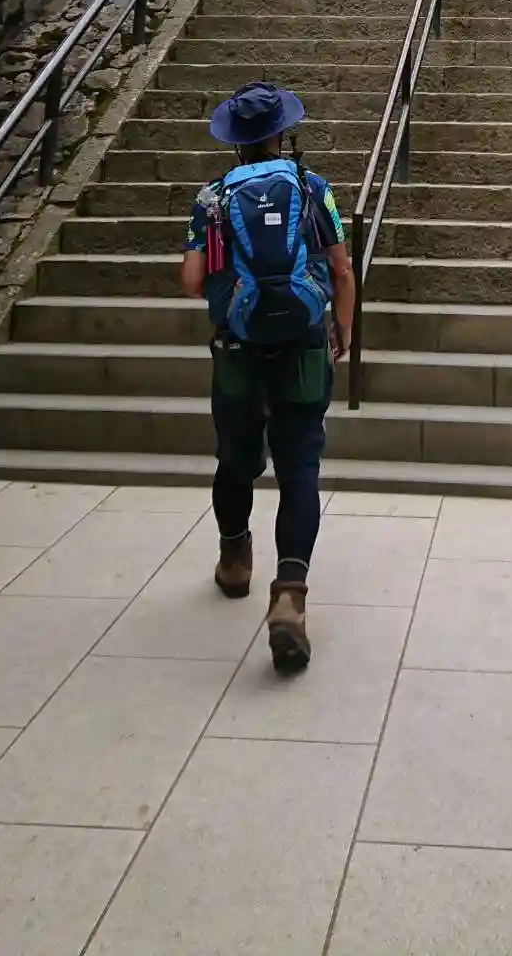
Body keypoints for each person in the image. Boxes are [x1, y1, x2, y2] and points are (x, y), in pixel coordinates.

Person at [180, 81, 355, 673]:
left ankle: (235, 561)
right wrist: (342, 331)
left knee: (235, 459)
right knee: (300, 466)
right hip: (304, 344)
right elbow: (342, 269)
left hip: (238, 348)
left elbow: (191, 280)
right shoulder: (313, 188)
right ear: (283, 133)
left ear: (235, 140)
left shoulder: (211, 198)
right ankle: (289, 598)